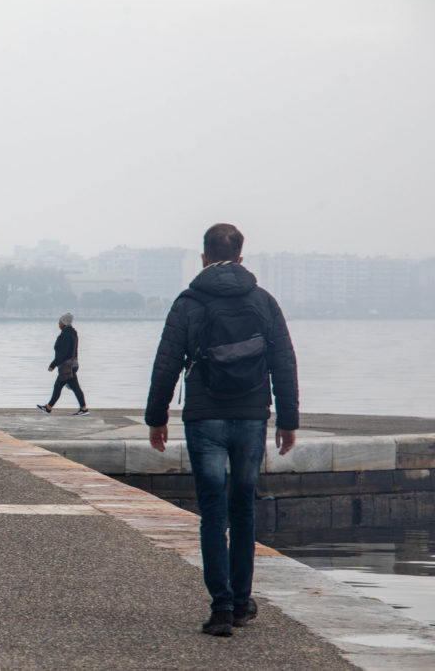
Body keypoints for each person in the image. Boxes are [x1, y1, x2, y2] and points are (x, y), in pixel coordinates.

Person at [145, 223, 299, 637]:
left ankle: (222, 608)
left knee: (213, 513)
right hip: (251, 416)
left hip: (204, 416)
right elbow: (284, 362)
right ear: (242, 258)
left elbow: (167, 362)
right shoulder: (264, 301)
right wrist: (288, 420)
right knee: (243, 508)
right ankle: (243, 600)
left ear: (203, 257)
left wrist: (156, 417)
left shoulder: (189, 302)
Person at [36, 313, 89, 416]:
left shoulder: (66, 335)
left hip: (67, 366)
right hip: (72, 364)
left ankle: (48, 408)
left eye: (60, 322)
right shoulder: (72, 333)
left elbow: (63, 353)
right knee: (74, 387)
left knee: (59, 386)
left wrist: (53, 364)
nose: (58, 323)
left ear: (64, 323)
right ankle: (83, 408)